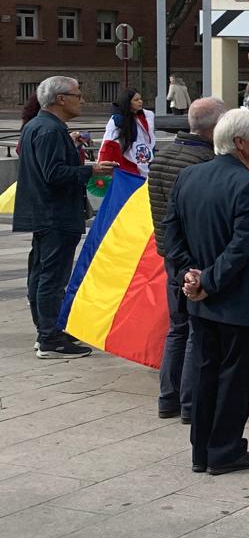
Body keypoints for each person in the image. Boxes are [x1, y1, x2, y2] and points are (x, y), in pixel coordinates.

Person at [163, 108, 249, 475]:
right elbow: (243, 246)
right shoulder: (248, 185)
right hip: (238, 301)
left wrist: (189, 277)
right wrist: (206, 281)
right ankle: (224, 450)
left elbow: (170, 235)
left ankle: (204, 451)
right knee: (237, 379)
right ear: (240, 143)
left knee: (208, 373)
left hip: (202, 299)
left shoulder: (189, 177)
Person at [14, 76, 115, 358]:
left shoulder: (41, 126)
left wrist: (69, 145)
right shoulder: (48, 130)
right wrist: (92, 171)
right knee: (51, 277)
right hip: (55, 214)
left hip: (45, 211)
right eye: (77, 95)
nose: (81, 100)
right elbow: (54, 174)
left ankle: (47, 332)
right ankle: (49, 338)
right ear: (61, 99)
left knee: (42, 274)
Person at [147, 97, 226, 421]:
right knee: (197, 330)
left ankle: (169, 398)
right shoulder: (203, 162)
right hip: (197, 257)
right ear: (214, 127)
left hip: (171, 255)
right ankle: (192, 403)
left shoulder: (162, 157)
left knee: (178, 328)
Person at [101, 88, 158, 178]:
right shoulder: (117, 120)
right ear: (127, 102)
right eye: (136, 100)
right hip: (127, 159)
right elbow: (108, 142)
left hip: (143, 158)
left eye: (140, 99)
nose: (140, 102)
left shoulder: (144, 117)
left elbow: (150, 139)